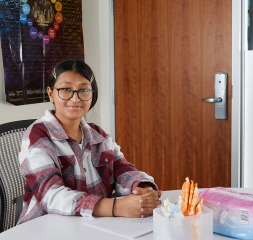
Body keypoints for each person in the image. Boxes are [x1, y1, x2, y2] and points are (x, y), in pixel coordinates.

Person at [18, 60, 161, 224]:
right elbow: (52, 196)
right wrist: (116, 207)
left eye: (84, 90)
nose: (75, 98)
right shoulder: (37, 136)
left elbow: (122, 169)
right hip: (45, 229)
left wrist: (143, 190)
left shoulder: (98, 135)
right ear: (51, 93)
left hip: (94, 225)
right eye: (66, 89)